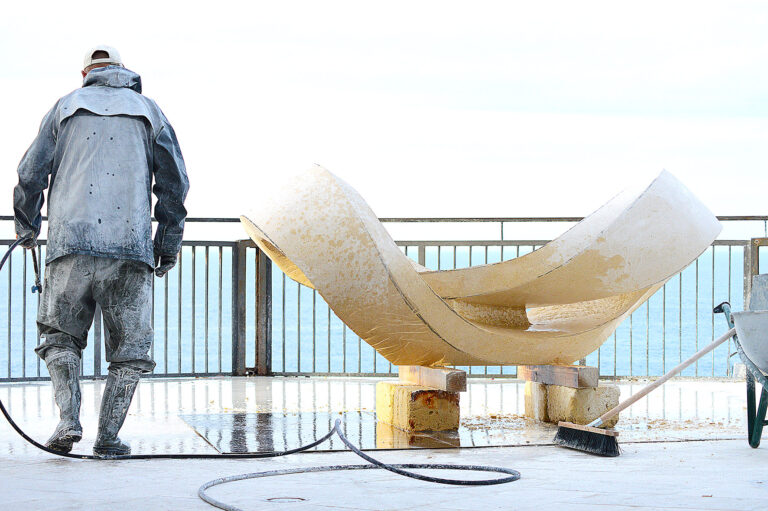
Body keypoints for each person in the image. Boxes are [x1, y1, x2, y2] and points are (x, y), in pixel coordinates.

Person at [13, 45, 189, 456]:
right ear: (125, 73)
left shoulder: (65, 107)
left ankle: (67, 421)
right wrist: (167, 244)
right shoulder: (150, 111)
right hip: (129, 248)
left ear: (86, 75)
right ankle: (108, 438)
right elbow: (174, 185)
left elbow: (30, 174)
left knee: (60, 337)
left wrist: (27, 226)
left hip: (68, 245)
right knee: (130, 351)